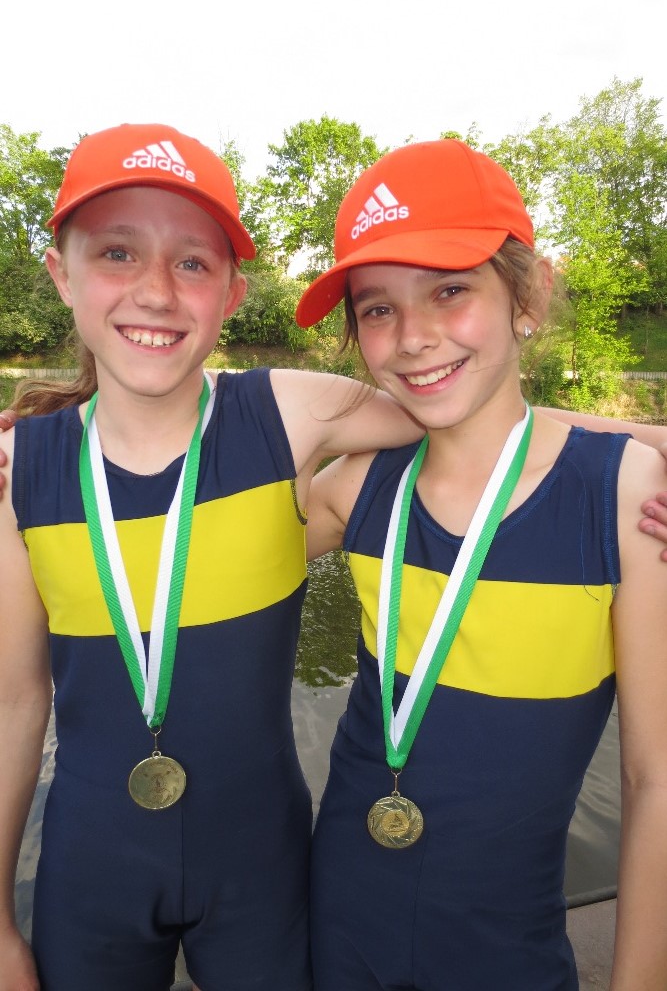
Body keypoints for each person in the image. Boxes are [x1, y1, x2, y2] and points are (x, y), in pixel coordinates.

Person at [0, 122, 430, 991]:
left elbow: (478, 420)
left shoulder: (287, 414)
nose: (156, 291)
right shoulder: (21, 472)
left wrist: (640, 451)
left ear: (232, 292)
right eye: (117, 252)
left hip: (262, 865)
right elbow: (14, 704)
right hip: (92, 869)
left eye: (192, 262)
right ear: (61, 274)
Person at [294, 139, 667, 990]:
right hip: (336, 928)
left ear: (526, 297)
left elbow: (653, 779)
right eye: (376, 309)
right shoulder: (354, 487)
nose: (413, 337)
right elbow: (188, 526)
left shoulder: (622, 498)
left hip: (506, 950)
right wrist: (54, 441)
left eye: (449, 290)